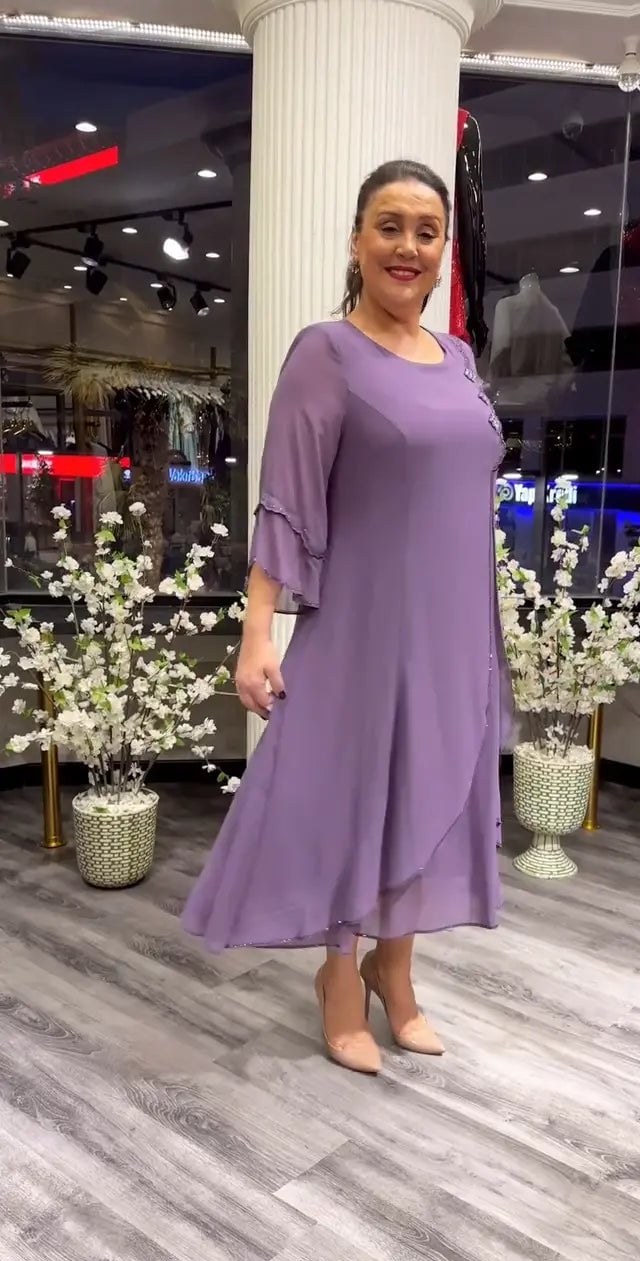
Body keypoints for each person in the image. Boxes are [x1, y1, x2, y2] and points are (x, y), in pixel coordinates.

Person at [183, 159, 512, 1075]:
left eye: (426, 231)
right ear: (357, 241)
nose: (409, 246)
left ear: (444, 250)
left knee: (431, 785)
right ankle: (339, 975)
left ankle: (393, 972)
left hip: (456, 625)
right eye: (389, 226)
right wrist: (258, 632)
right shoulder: (326, 353)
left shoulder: (458, 358)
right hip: (368, 622)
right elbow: (285, 499)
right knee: (356, 791)